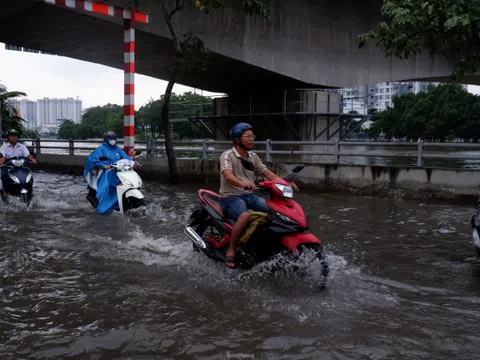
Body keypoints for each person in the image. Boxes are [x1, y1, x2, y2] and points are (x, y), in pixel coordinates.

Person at [219, 122, 299, 269]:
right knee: (245, 216)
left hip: (249, 195)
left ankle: (265, 244)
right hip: (230, 196)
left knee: (275, 211)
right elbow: (228, 175)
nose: (252, 139)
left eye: (253, 137)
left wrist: (285, 183)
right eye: (248, 136)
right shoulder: (227, 155)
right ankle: (231, 249)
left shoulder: (253, 157)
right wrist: (242, 183)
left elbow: (267, 174)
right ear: (237, 139)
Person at [83, 131, 133, 214]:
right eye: (111, 139)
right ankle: (101, 208)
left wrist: (133, 162)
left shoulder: (117, 149)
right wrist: (103, 165)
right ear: (106, 139)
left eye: (114, 138)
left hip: (116, 173)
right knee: (101, 190)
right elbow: (92, 159)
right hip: (102, 174)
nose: (113, 140)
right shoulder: (101, 149)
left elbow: (126, 157)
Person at [0, 129, 37, 200]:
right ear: (8, 137)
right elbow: (2, 157)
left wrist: (32, 159)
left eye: (15, 136)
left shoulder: (22, 146)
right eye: (12, 136)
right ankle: (5, 192)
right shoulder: (3, 147)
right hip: (8, 167)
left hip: (21, 168)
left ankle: (30, 191)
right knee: (4, 175)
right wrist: (1, 161)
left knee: (30, 176)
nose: (14, 137)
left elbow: (28, 155)